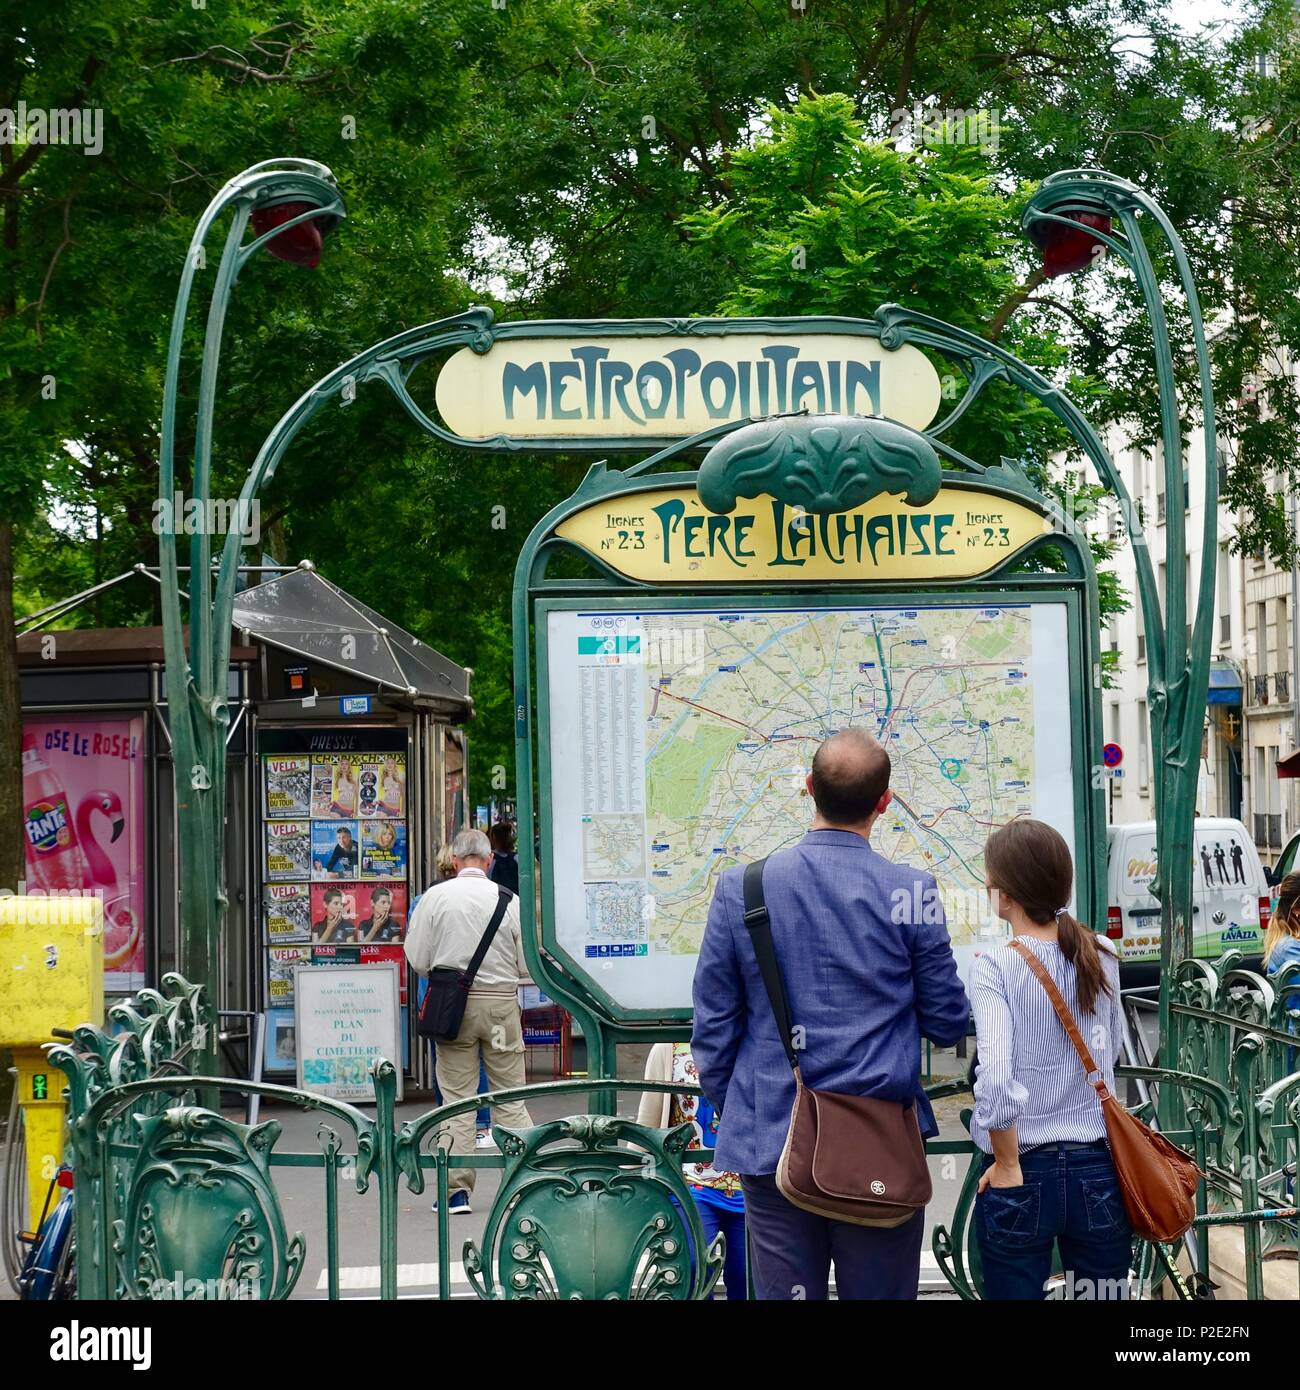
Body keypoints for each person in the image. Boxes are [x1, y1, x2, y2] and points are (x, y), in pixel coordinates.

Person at [692, 727, 969, 1300]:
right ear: (885, 801)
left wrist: (745, 1104)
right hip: (880, 1144)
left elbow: (713, 1028)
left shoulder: (742, 889)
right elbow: (947, 1021)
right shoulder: (911, 890)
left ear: (809, 787)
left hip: (774, 1137)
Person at [970, 817, 1130, 1302]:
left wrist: (1005, 1162)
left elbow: (995, 1081)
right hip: (1099, 1168)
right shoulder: (1101, 952)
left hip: (1024, 1167)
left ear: (1003, 895)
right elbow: (1112, 1050)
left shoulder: (996, 966)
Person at [405, 828, 532, 1214]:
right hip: (500, 1008)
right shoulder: (509, 901)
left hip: (453, 1008)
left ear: (455, 861)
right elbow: (527, 964)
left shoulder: (435, 898)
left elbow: (418, 957)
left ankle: (456, 1192)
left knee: (457, 1098)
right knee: (509, 1095)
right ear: (489, 860)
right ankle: (523, 1185)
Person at [638, 1042, 747, 1299]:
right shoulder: (668, 1047)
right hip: (692, 1183)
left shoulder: (753, 1034)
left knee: (747, 1274)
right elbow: (649, 1119)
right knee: (696, 1268)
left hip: (748, 1183)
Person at [488, 821, 520, 896]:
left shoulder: (491, 858)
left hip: (497, 901)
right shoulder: (517, 857)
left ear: (493, 838)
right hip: (515, 900)